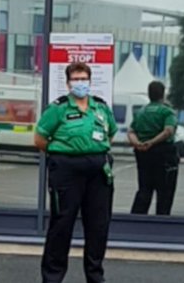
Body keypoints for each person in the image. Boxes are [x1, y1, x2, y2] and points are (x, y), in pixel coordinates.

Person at [36, 63, 118, 283]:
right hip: (67, 171)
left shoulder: (100, 107)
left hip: (98, 172)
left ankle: (95, 276)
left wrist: (94, 152)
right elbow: (40, 139)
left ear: (90, 81)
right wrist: (64, 156)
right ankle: (52, 277)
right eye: (76, 79)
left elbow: (110, 135)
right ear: (68, 83)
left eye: (84, 78)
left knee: (98, 226)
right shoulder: (58, 108)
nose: (80, 83)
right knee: (62, 224)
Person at [128, 80, 179, 215]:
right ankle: (161, 224)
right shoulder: (167, 112)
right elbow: (168, 131)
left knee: (144, 189)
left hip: (143, 154)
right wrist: (152, 142)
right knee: (165, 193)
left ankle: (136, 221)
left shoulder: (141, 112)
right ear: (163, 94)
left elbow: (131, 131)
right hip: (164, 155)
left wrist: (138, 143)